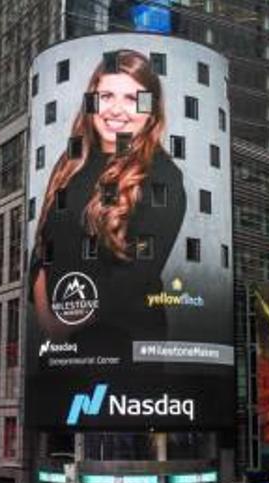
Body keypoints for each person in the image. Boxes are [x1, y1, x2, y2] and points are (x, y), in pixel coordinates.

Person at [30, 50, 185, 350]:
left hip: (124, 351)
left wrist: (65, 325)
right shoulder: (70, 163)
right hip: (59, 348)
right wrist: (48, 322)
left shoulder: (162, 175)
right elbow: (40, 252)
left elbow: (137, 274)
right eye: (107, 95)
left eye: (132, 99)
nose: (116, 109)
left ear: (151, 110)